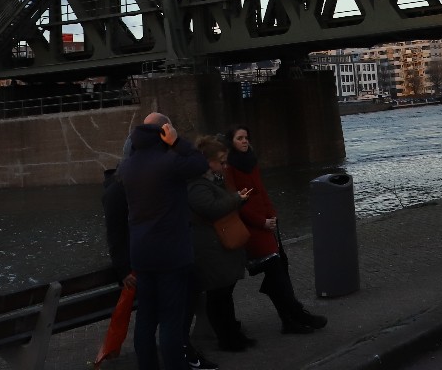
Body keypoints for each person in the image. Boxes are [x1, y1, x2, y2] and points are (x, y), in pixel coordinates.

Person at [120, 112, 211, 370]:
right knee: (171, 320)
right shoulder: (170, 161)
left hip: (141, 253)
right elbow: (200, 164)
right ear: (165, 131)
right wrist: (177, 142)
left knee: (146, 318)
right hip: (171, 253)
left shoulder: (127, 166)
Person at [223, 125, 327, 334]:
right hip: (251, 229)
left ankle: (289, 320)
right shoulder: (228, 167)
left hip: (267, 224)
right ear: (231, 142)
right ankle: (296, 313)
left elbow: (261, 191)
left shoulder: (251, 161)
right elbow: (235, 202)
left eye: (246, 137)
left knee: (280, 269)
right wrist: (261, 221)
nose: (244, 141)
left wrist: (272, 215)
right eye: (239, 138)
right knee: (276, 269)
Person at [188, 136, 251, 353]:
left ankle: (233, 334)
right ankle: (228, 339)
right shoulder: (197, 186)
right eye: (221, 162)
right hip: (209, 248)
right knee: (218, 295)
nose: (225, 166)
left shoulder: (208, 181)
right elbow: (211, 208)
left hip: (215, 245)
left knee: (224, 294)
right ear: (208, 162)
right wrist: (236, 199)